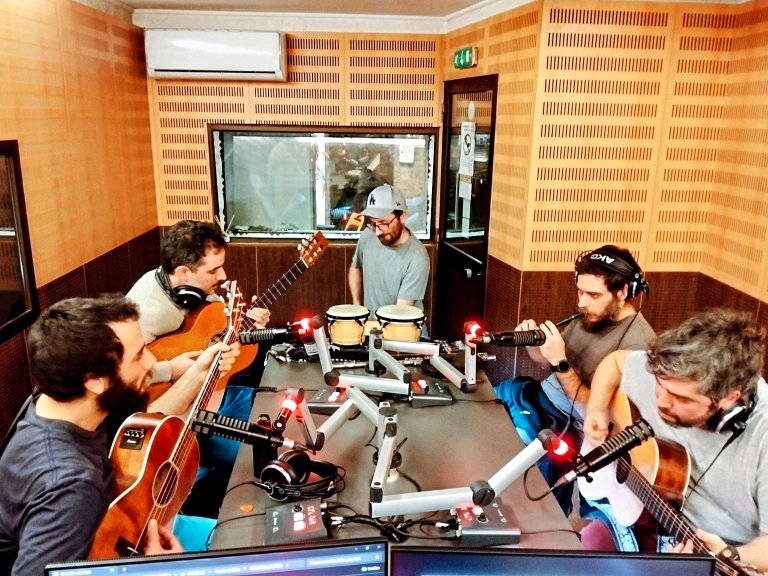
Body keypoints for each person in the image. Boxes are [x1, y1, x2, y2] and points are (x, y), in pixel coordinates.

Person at [0, 295, 236, 575]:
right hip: (125, 559)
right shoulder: (70, 486)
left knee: (247, 532)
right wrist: (155, 570)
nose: (151, 361)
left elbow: (143, 424)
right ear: (94, 381)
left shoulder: (63, 402)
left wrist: (199, 373)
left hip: (129, 528)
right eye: (138, 355)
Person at [583, 308, 768, 572]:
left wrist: (731, 555)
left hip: (717, 552)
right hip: (646, 515)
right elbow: (614, 363)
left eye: (682, 399)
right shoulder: (669, 372)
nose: (662, 401)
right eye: (660, 385)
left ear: (729, 399)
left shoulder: (764, 436)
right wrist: (596, 409)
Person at [494, 245, 655, 514]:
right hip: (540, 400)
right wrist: (534, 344)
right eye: (580, 291)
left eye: (593, 294)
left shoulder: (638, 347)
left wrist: (561, 363)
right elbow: (545, 361)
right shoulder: (593, 315)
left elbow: (599, 416)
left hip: (568, 427)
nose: (582, 302)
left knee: (525, 486)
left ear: (623, 292)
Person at [126, 220, 270, 517]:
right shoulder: (145, 311)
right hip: (182, 420)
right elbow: (122, 377)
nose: (223, 276)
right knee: (257, 453)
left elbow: (217, 334)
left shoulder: (195, 291)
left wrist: (248, 328)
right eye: (214, 270)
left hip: (215, 396)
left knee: (272, 403)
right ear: (182, 272)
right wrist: (170, 369)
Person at [348, 184, 430, 316]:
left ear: (402, 216)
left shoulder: (417, 258)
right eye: (373, 224)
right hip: (371, 326)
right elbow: (355, 267)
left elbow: (399, 314)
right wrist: (357, 307)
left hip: (402, 325)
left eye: (384, 223)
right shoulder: (368, 235)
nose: (378, 232)